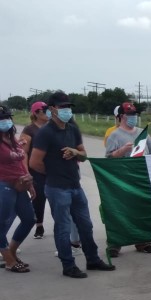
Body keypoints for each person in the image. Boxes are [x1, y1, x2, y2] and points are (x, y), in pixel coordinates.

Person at [29, 91, 115, 278]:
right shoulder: (45, 133)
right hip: (57, 188)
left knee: (86, 225)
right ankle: (68, 265)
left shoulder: (72, 128)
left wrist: (75, 152)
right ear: (52, 109)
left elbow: (84, 156)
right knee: (63, 228)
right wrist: (53, 172)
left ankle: (92, 259)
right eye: (63, 107)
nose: (67, 110)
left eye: (68, 107)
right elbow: (34, 162)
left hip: (76, 186)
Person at [105, 102, 151, 257]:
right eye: (130, 115)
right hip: (124, 179)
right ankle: (115, 243)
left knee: (142, 210)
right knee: (120, 211)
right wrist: (121, 151)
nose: (134, 117)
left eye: (135, 114)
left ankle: (143, 241)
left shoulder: (142, 133)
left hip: (142, 178)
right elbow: (108, 159)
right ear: (122, 116)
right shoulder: (114, 135)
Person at [0, 106, 36, 273]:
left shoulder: (11, 139)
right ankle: (8, 259)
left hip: (20, 183)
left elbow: (20, 162)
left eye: (7, 118)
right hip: (3, 184)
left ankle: (12, 252)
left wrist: (29, 183)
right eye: (1, 119)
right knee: (2, 221)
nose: (5, 121)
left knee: (29, 219)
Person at [20, 101, 49, 239]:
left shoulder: (52, 127)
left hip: (52, 168)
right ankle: (39, 224)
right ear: (36, 113)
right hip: (36, 169)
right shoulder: (29, 130)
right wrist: (25, 171)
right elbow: (23, 153)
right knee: (39, 198)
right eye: (45, 110)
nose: (48, 112)